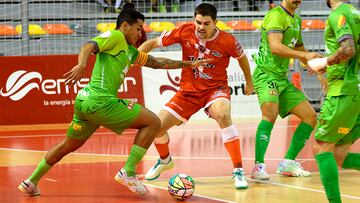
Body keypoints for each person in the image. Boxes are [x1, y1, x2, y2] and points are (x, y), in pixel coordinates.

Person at [17, 9, 210, 196]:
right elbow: (89, 45)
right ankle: (128, 171)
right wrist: (82, 63)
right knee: (153, 122)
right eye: (138, 28)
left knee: (67, 145)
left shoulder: (130, 51)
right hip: (101, 101)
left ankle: (31, 182)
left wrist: (188, 64)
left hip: (85, 102)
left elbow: (156, 62)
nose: (140, 33)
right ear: (125, 26)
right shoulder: (116, 37)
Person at [138, 3, 254, 189]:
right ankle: (165, 160)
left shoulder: (227, 40)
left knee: (223, 115)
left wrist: (249, 82)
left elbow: (242, 58)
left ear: (215, 23)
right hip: (188, 92)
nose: (201, 27)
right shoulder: (184, 31)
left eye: (206, 23)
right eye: (198, 22)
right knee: (156, 126)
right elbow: (152, 43)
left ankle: (238, 171)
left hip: (215, 89)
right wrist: (134, 57)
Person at [250, 0, 323, 181]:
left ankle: (288, 163)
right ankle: (258, 166)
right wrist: (304, 56)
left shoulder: (296, 19)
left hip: (282, 78)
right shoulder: (276, 15)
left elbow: (299, 47)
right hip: (266, 75)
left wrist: (316, 68)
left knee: (310, 117)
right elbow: (275, 47)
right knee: (270, 115)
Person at [307, 0, 359, 202]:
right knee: (339, 154)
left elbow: (348, 50)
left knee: (322, 148)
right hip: (354, 88)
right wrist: (330, 65)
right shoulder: (357, 14)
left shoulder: (339, 15)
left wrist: (324, 61)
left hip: (343, 91)